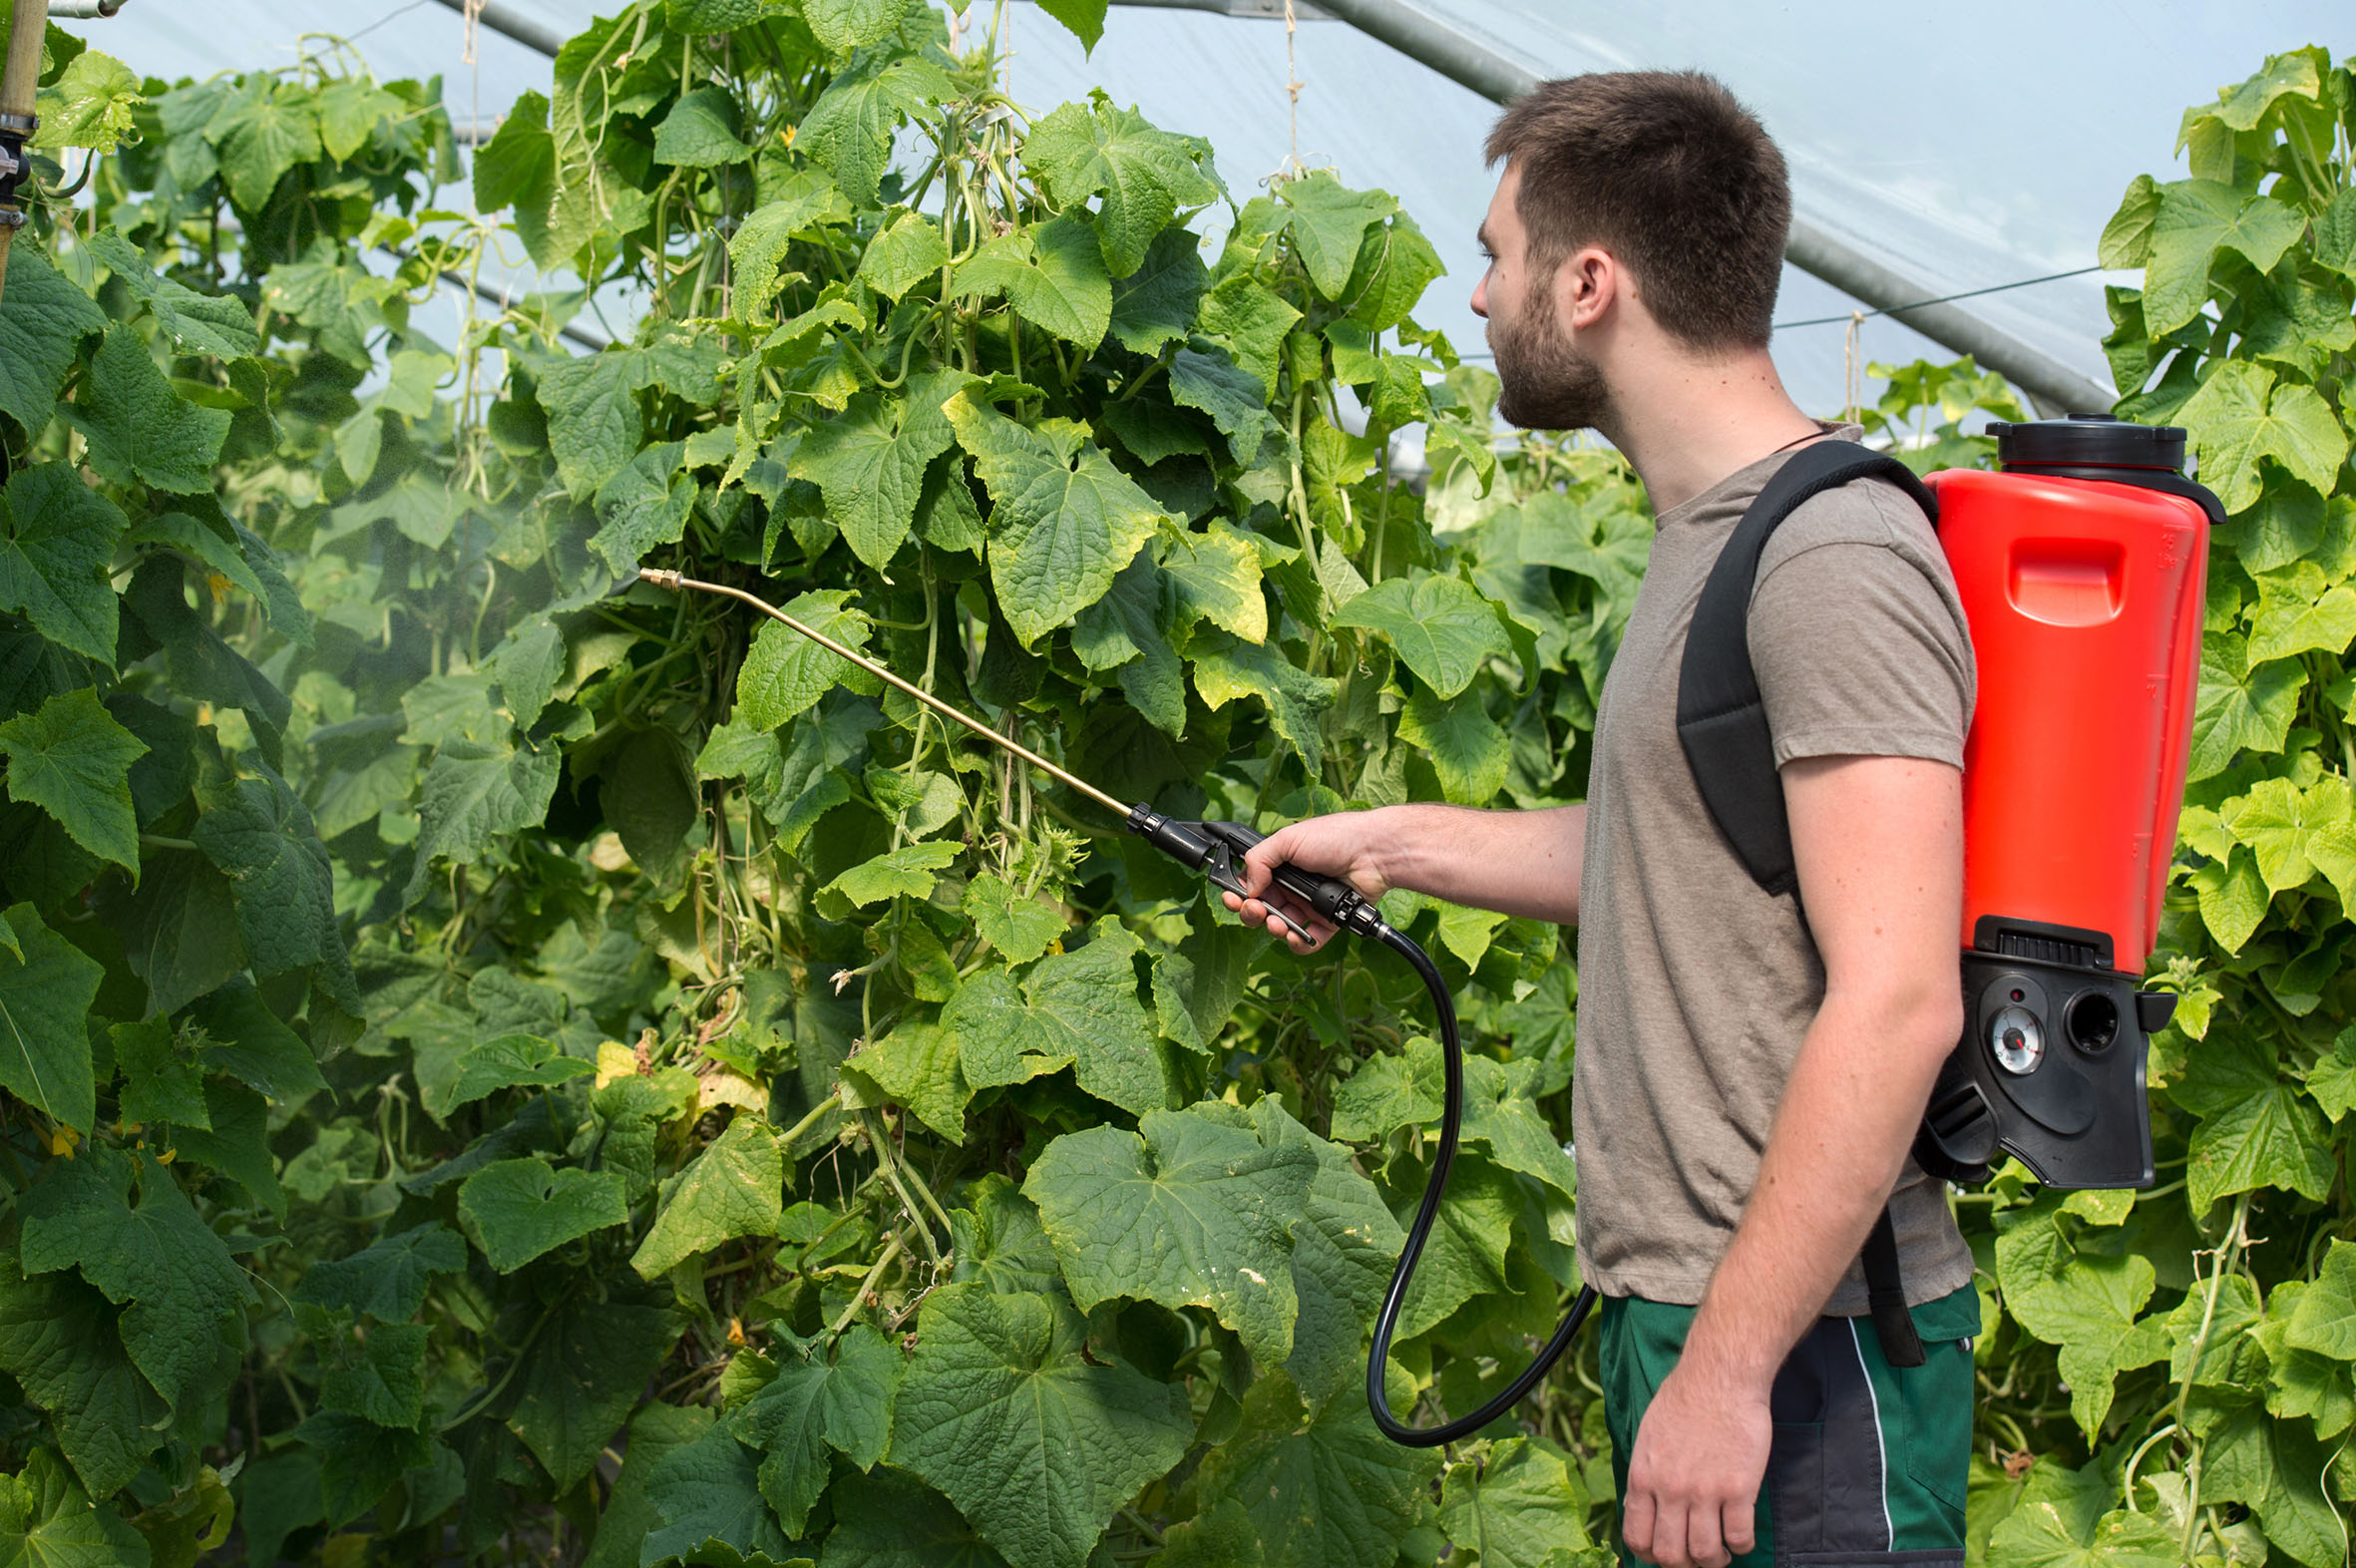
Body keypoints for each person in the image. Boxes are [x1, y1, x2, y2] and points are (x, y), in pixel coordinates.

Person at [1224, 71, 1978, 1568]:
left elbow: (1895, 1001)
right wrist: (1388, 842)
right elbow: (1676, 857)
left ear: (1587, 283)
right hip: (1704, 1314)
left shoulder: (1828, 552)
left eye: (1495, 253)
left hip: (1801, 1350)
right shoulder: (1713, 538)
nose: (1474, 292)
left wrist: (1727, 1371)